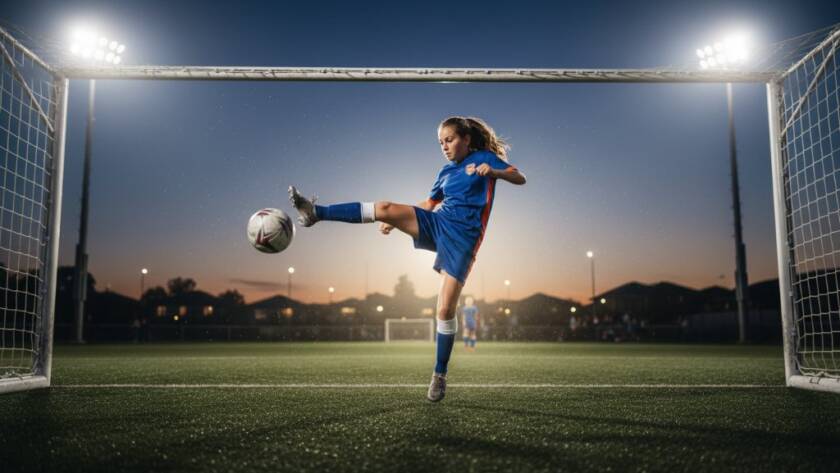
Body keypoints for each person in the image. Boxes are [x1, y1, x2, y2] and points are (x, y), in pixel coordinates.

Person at [289, 116, 526, 402]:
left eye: (449, 140)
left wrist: (494, 171)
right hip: (438, 224)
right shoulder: (445, 172)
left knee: (444, 310)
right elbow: (429, 204)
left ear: (466, 139)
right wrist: (395, 221)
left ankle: (439, 374)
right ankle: (317, 213)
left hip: (464, 239)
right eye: (440, 142)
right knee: (385, 207)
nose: (444, 147)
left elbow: (519, 177)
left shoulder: (484, 158)